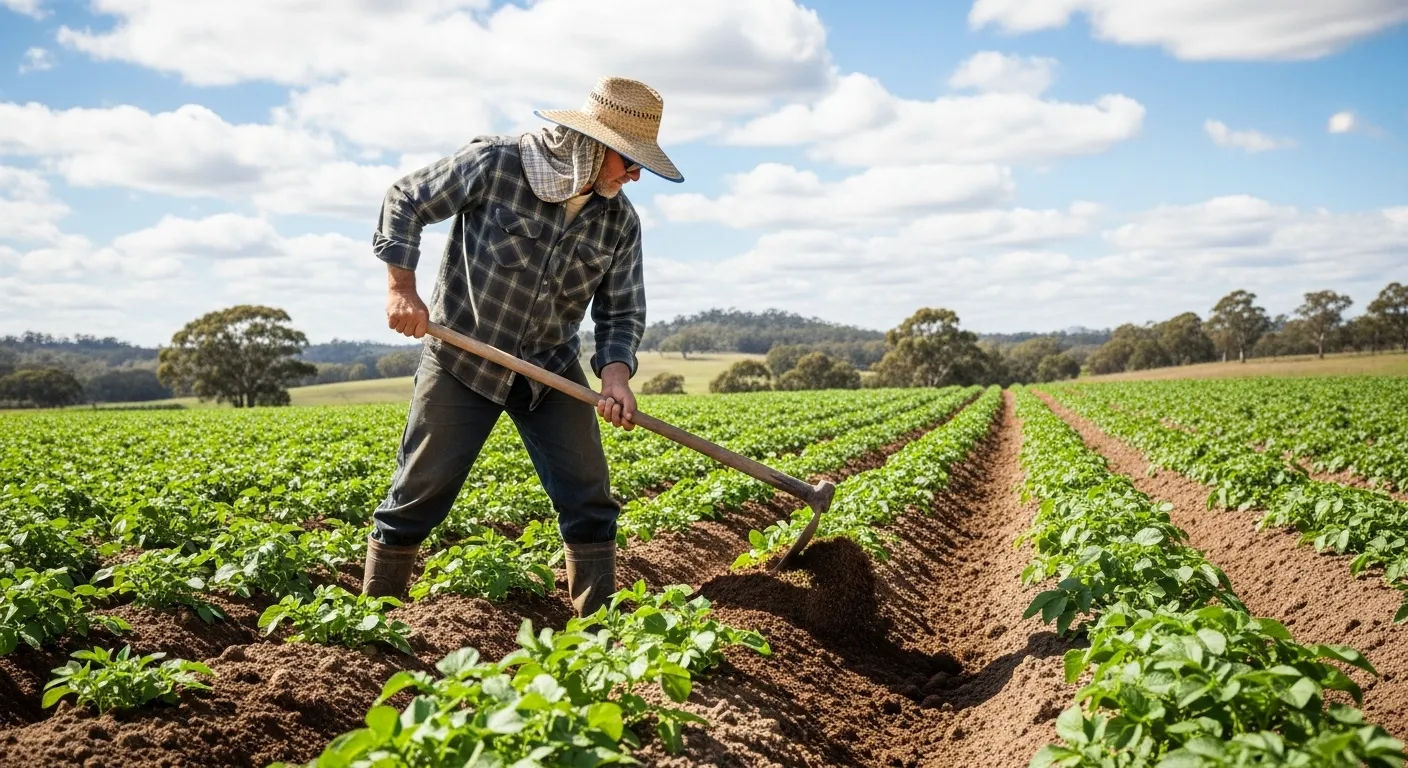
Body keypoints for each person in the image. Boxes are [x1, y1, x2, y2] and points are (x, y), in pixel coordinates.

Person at [361, 76, 684, 617]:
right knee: (419, 493)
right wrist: (401, 289)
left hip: (548, 367)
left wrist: (615, 377)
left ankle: (597, 627)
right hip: (463, 355)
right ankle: (371, 625)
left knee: (588, 498)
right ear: (592, 144)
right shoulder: (496, 164)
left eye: (640, 165)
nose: (634, 174)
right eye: (629, 160)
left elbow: (621, 308)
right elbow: (406, 199)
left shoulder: (619, 222)